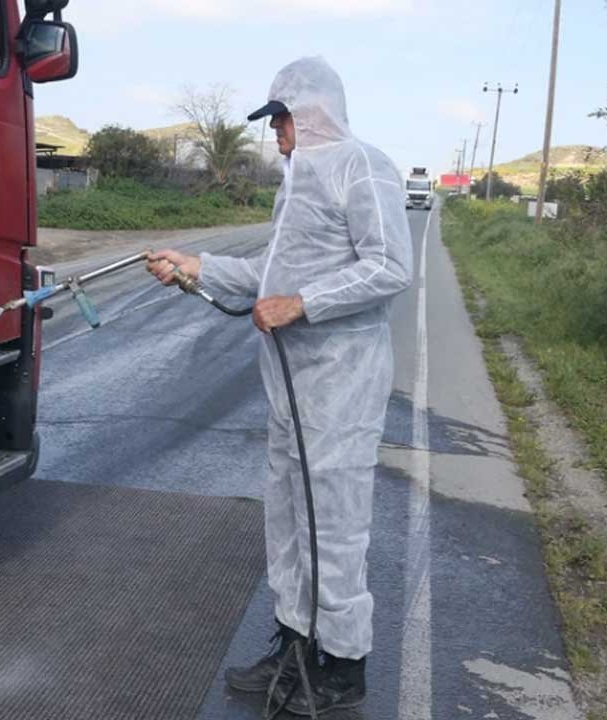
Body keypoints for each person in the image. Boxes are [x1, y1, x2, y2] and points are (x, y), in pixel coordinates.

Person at [148, 56, 412, 714]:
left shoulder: (363, 165)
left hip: (341, 387)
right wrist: (195, 268)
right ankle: (294, 652)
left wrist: (302, 304)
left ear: (313, 113)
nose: (276, 133)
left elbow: (389, 267)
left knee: (337, 529)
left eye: (282, 119)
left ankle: (343, 671)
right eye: (272, 122)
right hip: (293, 390)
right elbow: (268, 275)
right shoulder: (291, 185)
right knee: (290, 524)